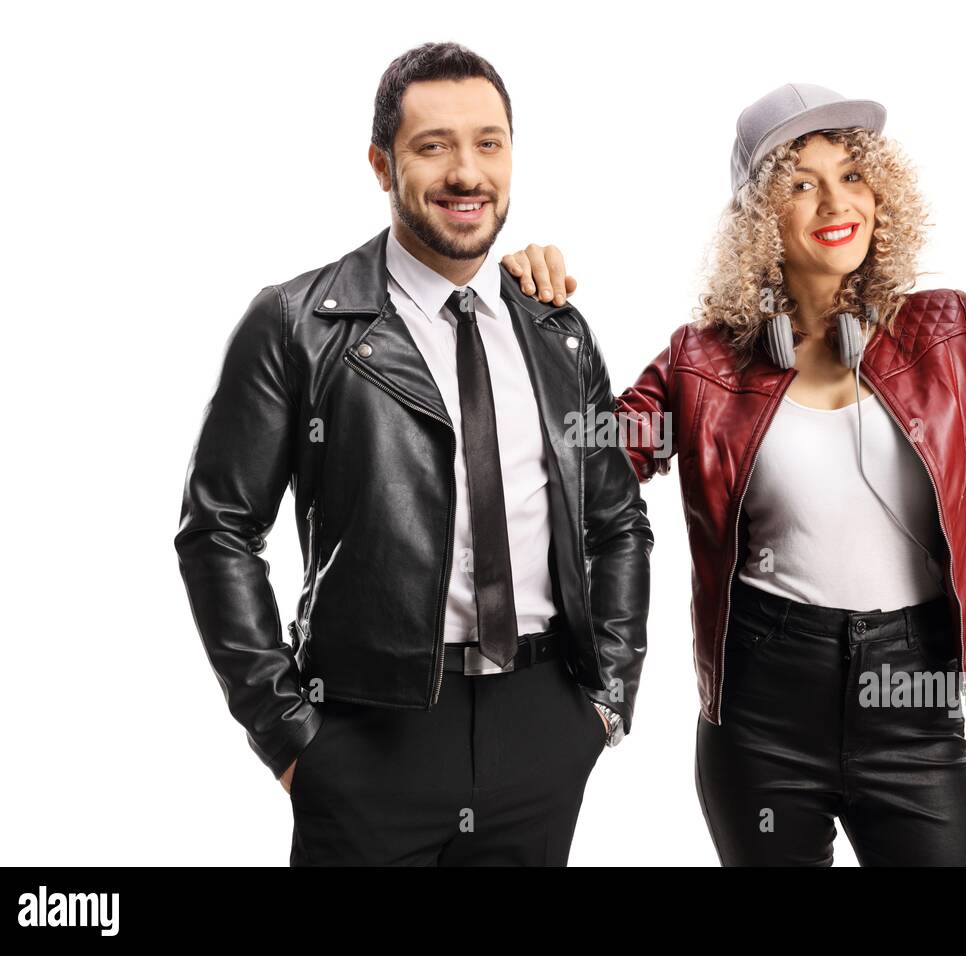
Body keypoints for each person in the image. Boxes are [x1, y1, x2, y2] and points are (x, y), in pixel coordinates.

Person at [502, 83, 966, 865]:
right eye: (802, 183)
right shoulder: (700, 361)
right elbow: (578, 470)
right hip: (761, 711)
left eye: (852, 175)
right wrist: (535, 325)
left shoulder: (941, 328)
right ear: (761, 217)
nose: (838, 200)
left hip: (913, 698)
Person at [173, 41, 652, 866]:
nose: (467, 172)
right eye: (434, 146)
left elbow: (617, 523)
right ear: (381, 164)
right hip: (366, 732)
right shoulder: (299, 323)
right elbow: (217, 530)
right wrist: (291, 736)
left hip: (541, 727)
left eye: (489, 143)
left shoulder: (557, 333)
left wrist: (605, 700)